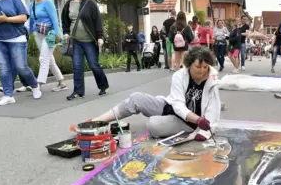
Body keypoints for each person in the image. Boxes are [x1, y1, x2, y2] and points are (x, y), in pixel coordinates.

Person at [91, 46, 220, 140]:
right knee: (136, 99)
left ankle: (167, 124)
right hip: (172, 107)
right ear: (189, 65)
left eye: (205, 67)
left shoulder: (212, 81)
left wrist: (204, 130)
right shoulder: (180, 76)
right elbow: (177, 105)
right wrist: (197, 118)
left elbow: (213, 110)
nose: (202, 71)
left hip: (189, 123)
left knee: (153, 125)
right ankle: (97, 121)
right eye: (198, 67)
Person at [61, 0, 109, 100]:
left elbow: (97, 21)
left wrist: (100, 37)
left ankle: (103, 86)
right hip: (75, 40)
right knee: (77, 67)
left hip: (89, 41)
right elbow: (65, 21)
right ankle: (78, 91)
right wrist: (66, 33)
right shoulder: (68, 4)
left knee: (94, 65)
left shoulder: (90, 4)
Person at [28, 0, 67, 92]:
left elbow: (54, 19)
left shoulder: (48, 2)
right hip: (38, 34)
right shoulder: (32, 5)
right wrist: (29, 32)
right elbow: (31, 20)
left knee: (43, 58)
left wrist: (57, 34)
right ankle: (62, 82)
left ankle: (38, 84)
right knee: (49, 59)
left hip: (50, 35)